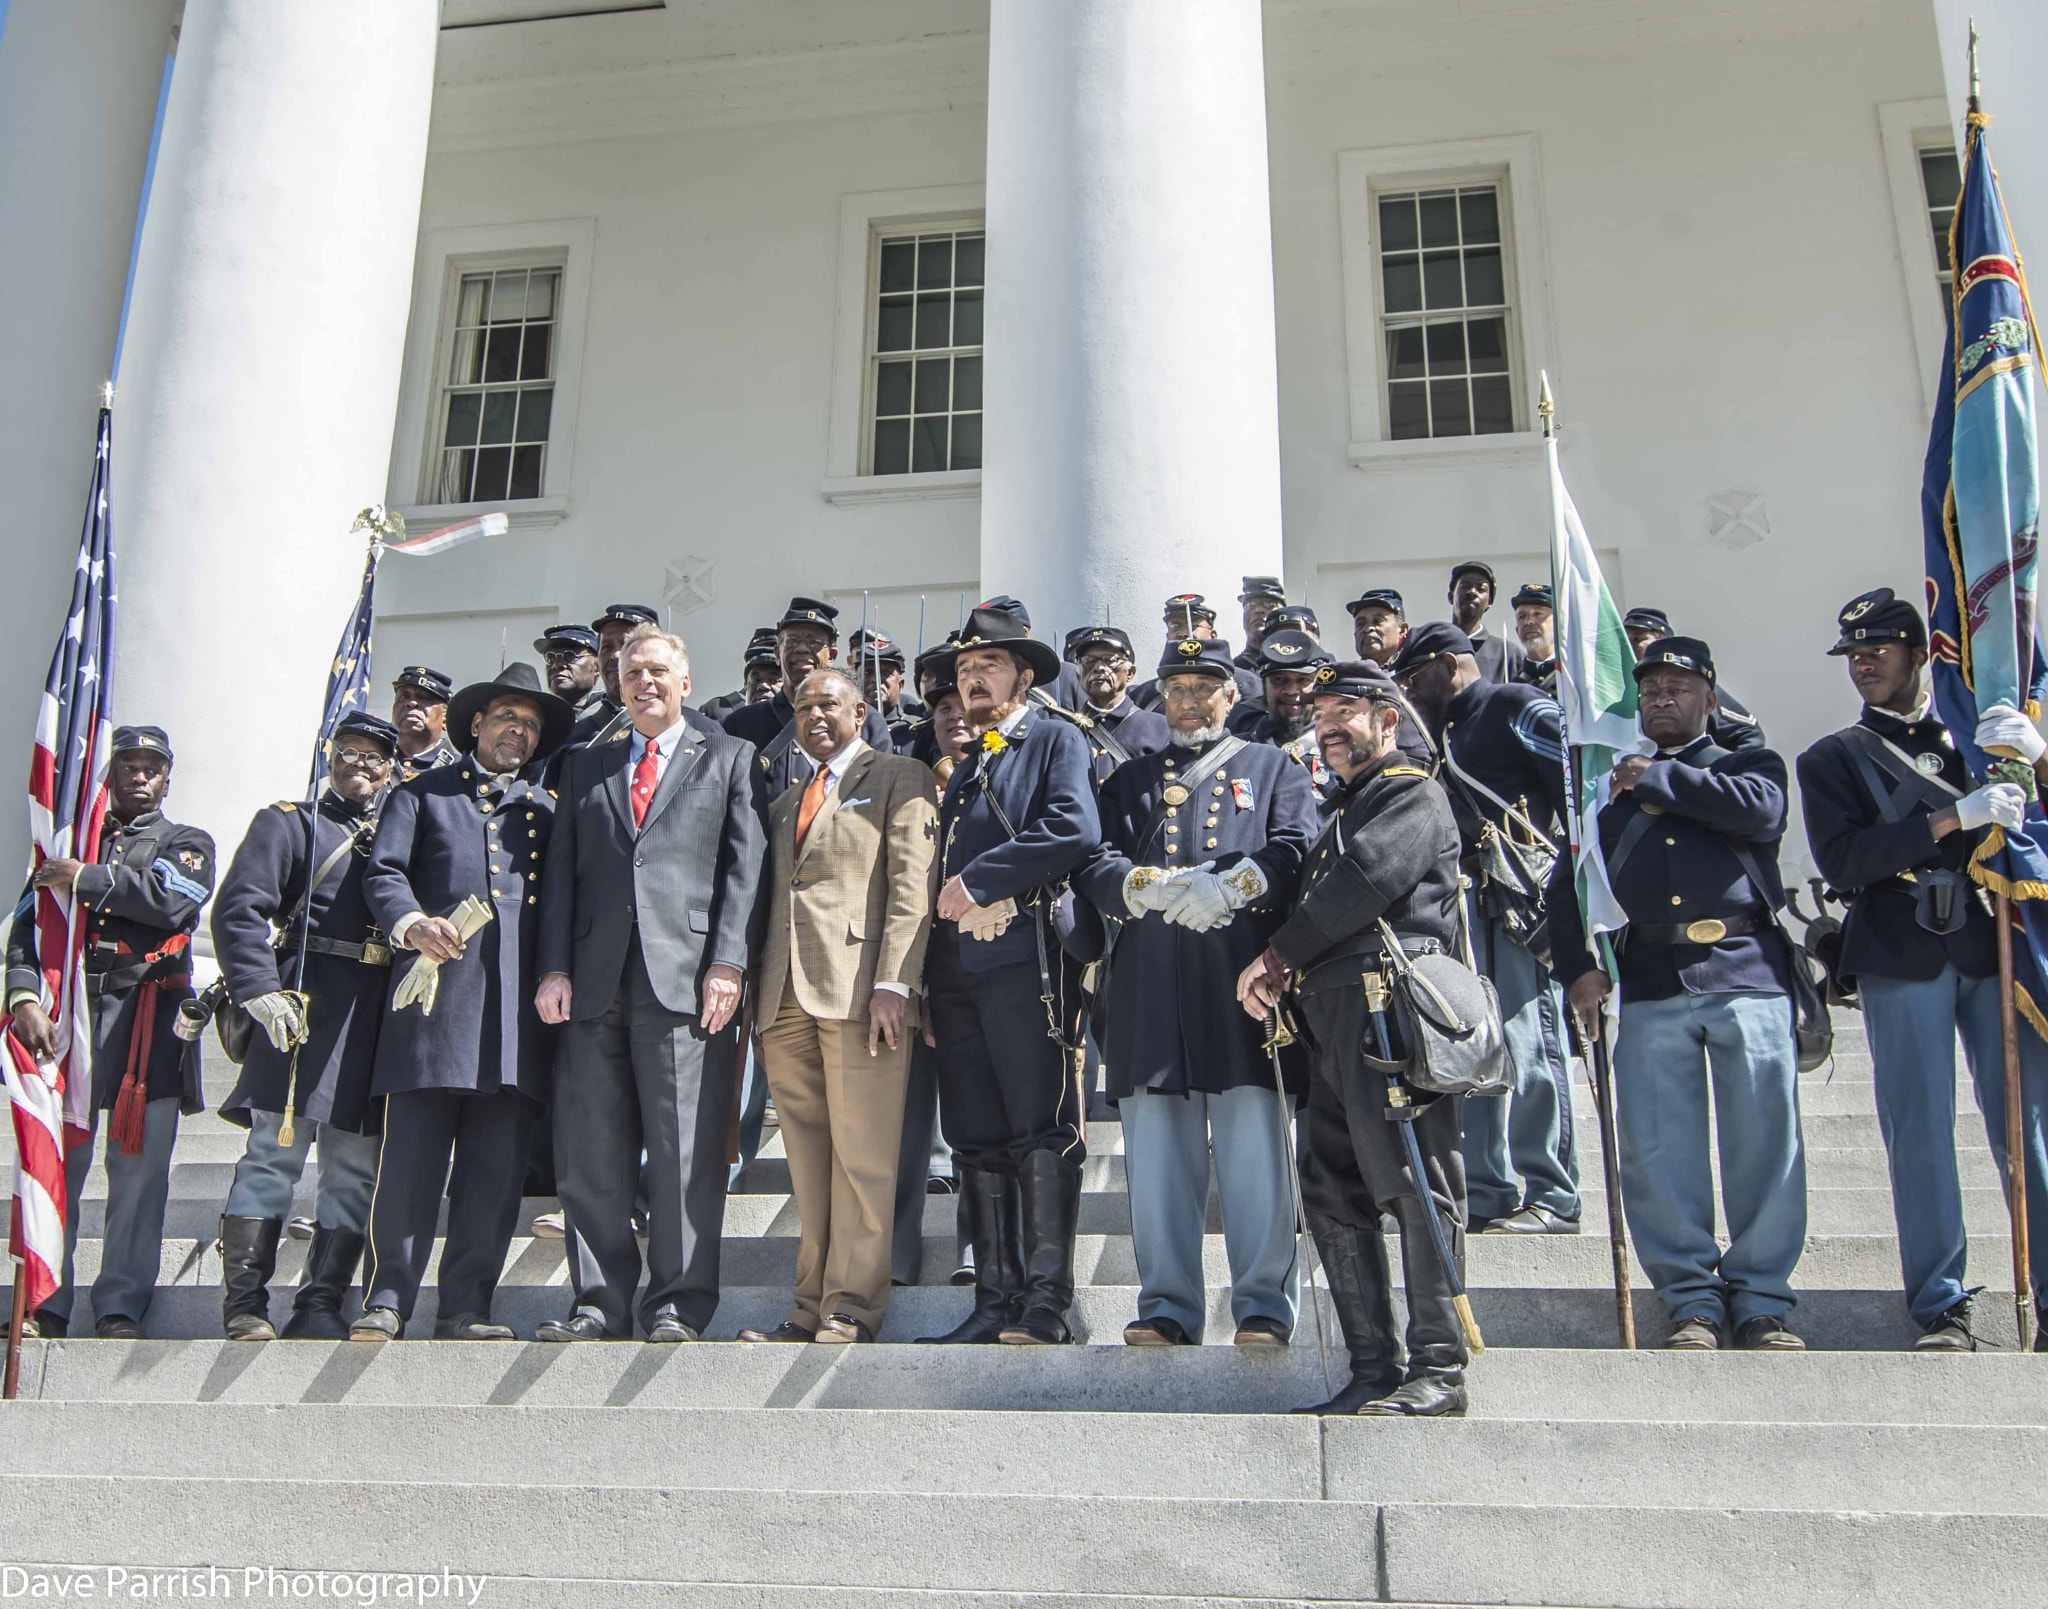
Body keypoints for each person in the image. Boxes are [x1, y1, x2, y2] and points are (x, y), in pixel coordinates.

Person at [1797, 587, 2048, 1350]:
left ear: (1921, 653)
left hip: (1989, 937)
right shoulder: (1833, 757)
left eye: (1879, 647)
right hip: (1900, 946)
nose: (1865, 663)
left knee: (2027, 1129)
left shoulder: (1980, 744)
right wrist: (1949, 818)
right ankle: (1941, 1304)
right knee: (1921, 1132)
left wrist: (2035, 762)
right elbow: (1845, 859)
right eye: (1854, 653)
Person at [1548, 635, 1809, 1352]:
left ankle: (1761, 1299)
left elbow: (1759, 812)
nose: (1663, 697)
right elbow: (1567, 885)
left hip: (1743, 967)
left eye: (1678, 687)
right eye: (1652, 688)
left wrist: (1656, 780)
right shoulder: (1603, 787)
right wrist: (1578, 968)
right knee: (1660, 1152)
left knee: (1765, 1142)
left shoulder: (1747, 761)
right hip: (1650, 978)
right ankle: (1690, 1298)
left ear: (1710, 698)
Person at [1238, 661, 1470, 1416]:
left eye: (1348, 709)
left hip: (1389, 1009)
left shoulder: (1410, 791)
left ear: (1388, 720)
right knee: (1333, 1191)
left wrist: (1276, 956)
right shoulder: (1347, 803)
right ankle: (1372, 1366)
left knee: (1414, 1181)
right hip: (1332, 1016)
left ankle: (1438, 1368)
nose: (1330, 723)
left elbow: (1364, 881)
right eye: (1323, 712)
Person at [1075, 636, 1317, 1346]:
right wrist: (1137, 885)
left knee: (1255, 1164)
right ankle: (1168, 1306)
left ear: (1230, 694)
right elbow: (1093, 856)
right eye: (1175, 688)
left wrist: (1236, 883)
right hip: (1151, 994)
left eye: (1202, 687)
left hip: (1243, 991)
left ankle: (1264, 1306)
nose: (1187, 701)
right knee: (1155, 1166)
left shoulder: (1273, 768)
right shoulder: (1130, 779)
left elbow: (1297, 845)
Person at [535, 625, 765, 1342]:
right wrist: (553, 967)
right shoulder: (585, 766)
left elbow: (743, 869)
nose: (645, 682)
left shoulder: (730, 757)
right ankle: (598, 1301)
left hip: (686, 981)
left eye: (658, 671)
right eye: (632, 672)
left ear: (686, 682)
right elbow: (563, 878)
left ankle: (679, 1301)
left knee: (684, 1153)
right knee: (590, 1152)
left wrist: (728, 963)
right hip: (595, 982)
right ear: (618, 683)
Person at [349, 662, 573, 1343]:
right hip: (434, 1011)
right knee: (411, 1166)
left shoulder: (547, 809)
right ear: (475, 724)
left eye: (531, 725)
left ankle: (465, 1307)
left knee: (493, 1177)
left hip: (512, 1024)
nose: (519, 730)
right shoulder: (425, 793)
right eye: (508, 716)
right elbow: (382, 871)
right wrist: (411, 921)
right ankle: (387, 1298)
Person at [738, 668, 938, 1344]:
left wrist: (896, 982)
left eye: (829, 703)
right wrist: (759, 1009)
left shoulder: (899, 775)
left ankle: (852, 1304)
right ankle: (805, 1305)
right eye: (802, 706)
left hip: (862, 995)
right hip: (785, 997)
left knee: (864, 1157)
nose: (814, 715)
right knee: (808, 1164)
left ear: (861, 708)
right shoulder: (784, 797)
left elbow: (913, 885)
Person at [920, 606, 1101, 1345]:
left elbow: (1075, 827)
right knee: (976, 1134)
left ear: (1024, 676)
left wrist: (984, 878)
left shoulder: (1053, 737)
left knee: (1040, 1127)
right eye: (963, 671)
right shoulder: (968, 761)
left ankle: (1047, 1304)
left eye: (987, 666)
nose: (971, 680)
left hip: (1028, 960)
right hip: (961, 970)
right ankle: (994, 1299)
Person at [5, 726, 214, 1339]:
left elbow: (171, 901)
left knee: (138, 1181)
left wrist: (86, 879)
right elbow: (26, 926)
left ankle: (120, 1305)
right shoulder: (70, 843)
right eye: (127, 764)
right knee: (56, 1171)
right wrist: (22, 997)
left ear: (167, 778)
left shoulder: (185, 841)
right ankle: (45, 1304)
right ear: (108, 773)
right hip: (66, 1027)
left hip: (144, 1029)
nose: (139, 776)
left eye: (152, 766)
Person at [212, 712, 399, 1341]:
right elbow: (241, 907)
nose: (359, 765)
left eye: (374, 758)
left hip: (370, 1015)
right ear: (329, 756)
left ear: (391, 770)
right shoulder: (289, 822)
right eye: (348, 752)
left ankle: (319, 1302)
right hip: (300, 1006)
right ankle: (244, 1305)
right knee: (272, 1156)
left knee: (353, 1166)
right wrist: (259, 990)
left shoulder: (399, 830)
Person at [1393, 621, 1578, 1234]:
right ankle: (1490, 1190)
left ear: (1450, 663)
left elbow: (1576, 797)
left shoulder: (1516, 704)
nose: (1409, 691)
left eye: (1415, 677)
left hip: (1524, 899)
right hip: (1471, 900)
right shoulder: (1445, 730)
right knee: (1480, 1041)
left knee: (1529, 1040)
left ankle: (1551, 1191)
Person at [892, 674, 974, 1290]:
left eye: (962, 704)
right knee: (903, 1133)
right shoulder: (907, 788)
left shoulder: (1009, 782)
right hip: (912, 980)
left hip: (989, 977)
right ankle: (896, 1259)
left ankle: (978, 1249)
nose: (953, 716)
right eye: (941, 708)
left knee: (979, 1127)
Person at [723, 596, 894, 807]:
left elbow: (882, 793)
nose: (802, 649)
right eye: (792, 641)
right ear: (777, 653)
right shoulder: (741, 724)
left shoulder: (867, 720)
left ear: (832, 655)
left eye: (814, 642)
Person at [576, 603, 721, 748]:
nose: (616, 655)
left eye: (627, 644)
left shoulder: (704, 731)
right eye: (606, 647)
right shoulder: (576, 737)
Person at [1624, 606, 1766, 753]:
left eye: (1637, 639)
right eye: (1649, 693)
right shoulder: (1618, 688)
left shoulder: (1697, 686)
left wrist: (1724, 768)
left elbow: (1748, 734)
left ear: (1660, 637)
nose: (1661, 701)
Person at [1058, 625, 1170, 783]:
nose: (1099, 668)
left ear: (1130, 674)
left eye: (1111, 660)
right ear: (1078, 676)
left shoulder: (1159, 728)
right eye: (1089, 661)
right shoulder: (1063, 729)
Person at [1131, 594, 1262, 709]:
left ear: (1213, 635)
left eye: (1192, 626)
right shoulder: (1146, 694)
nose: (1183, 633)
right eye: (1175, 626)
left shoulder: (1246, 683)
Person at [1447, 562, 1525, 684]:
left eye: (1481, 588)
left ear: (1489, 602)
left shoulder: (1509, 655)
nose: (1472, 591)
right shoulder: (1432, 646)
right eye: (1465, 586)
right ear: (1450, 596)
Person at [389, 666, 458, 783]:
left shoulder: (460, 771)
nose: (411, 703)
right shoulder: (376, 763)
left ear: (445, 719)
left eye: (424, 697)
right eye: (403, 696)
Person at [700, 627, 781, 723]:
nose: (763, 686)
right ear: (745, 685)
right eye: (756, 680)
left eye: (773, 680)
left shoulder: (799, 722)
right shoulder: (719, 714)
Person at [534, 623, 602, 710]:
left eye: (570, 656)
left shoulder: (615, 714)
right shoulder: (540, 718)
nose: (557, 665)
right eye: (550, 658)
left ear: (597, 667)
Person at [1234, 575, 1287, 678]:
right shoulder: (1231, 671)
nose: (1258, 610)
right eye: (1251, 605)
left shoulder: (1297, 666)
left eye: (1269, 604)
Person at [1510, 582, 1557, 695]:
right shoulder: (1513, 687)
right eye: (1522, 616)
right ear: (1517, 630)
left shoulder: (1572, 679)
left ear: (1558, 626)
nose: (1528, 622)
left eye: (1538, 614)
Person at [1349, 587, 1408, 668]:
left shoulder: (1419, 675)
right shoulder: (1344, 676)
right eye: (1360, 624)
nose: (1367, 628)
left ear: (1402, 630)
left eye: (1377, 621)